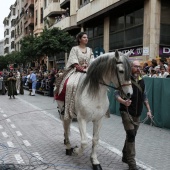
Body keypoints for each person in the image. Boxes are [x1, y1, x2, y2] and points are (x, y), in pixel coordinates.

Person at [115, 60, 152, 170]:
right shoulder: (125, 79)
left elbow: (144, 97)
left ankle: (125, 154)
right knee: (131, 134)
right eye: (136, 66)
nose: (138, 68)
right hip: (126, 111)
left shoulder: (142, 81)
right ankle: (131, 162)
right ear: (130, 68)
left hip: (138, 113)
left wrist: (149, 110)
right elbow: (116, 94)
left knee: (132, 135)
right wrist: (123, 102)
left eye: (139, 66)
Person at [54, 32, 94, 119]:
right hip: (75, 71)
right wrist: (81, 69)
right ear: (79, 39)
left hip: (88, 71)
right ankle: (65, 106)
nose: (86, 39)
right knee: (69, 84)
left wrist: (89, 68)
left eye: (87, 37)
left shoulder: (90, 50)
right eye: (84, 37)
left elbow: (92, 61)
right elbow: (73, 61)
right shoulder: (74, 49)